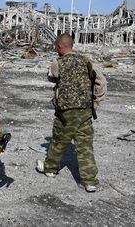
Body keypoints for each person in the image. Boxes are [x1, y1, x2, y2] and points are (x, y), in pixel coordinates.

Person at [36, 33, 107, 192]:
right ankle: (90, 182)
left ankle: (50, 169)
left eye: (56, 46)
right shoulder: (86, 61)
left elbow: (51, 77)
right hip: (85, 111)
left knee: (59, 140)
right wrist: (95, 103)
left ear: (60, 46)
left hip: (65, 112)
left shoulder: (57, 63)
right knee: (85, 145)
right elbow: (101, 82)